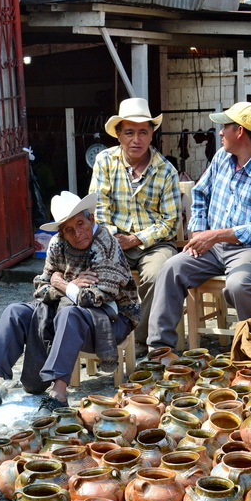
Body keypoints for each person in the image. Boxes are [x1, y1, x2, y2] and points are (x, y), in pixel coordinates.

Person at [0, 191, 140, 414]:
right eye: (69, 230)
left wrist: (62, 284)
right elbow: (40, 288)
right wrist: (71, 285)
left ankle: (58, 395)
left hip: (112, 321)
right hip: (65, 312)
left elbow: (96, 297)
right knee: (15, 311)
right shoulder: (57, 243)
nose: (77, 234)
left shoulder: (106, 244)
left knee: (69, 314)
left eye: (81, 224)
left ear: (91, 219)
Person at [147, 101, 251, 351]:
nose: (220, 132)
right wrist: (201, 230)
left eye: (225, 127)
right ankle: (160, 350)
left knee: (238, 285)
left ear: (240, 131)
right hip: (213, 246)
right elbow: (200, 193)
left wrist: (216, 235)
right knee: (171, 268)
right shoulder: (222, 158)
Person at [89, 97, 180, 354]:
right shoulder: (105, 161)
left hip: (154, 244)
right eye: (129, 132)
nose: (136, 139)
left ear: (152, 134)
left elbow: (170, 222)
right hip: (112, 240)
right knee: (94, 272)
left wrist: (136, 238)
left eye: (143, 132)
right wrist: (114, 237)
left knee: (157, 273)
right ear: (118, 135)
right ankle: (98, 337)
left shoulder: (166, 170)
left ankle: (141, 339)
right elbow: (98, 208)